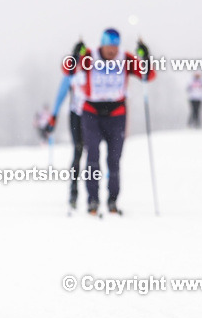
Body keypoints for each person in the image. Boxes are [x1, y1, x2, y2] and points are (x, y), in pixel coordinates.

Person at [65, 29, 156, 215]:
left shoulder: (125, 58)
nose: (112, 51)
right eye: (109, 47)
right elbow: (69, 70)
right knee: (92, 159)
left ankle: (112, 200)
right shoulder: (89, 56)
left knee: (114, 160)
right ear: (102, 45)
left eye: (115, 47)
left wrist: (146, 56)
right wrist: (75, 54)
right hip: (92, 113)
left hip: (116, 114)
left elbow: (147, 75)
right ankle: (93, 200)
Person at [45, 58, 86, 209]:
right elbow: (60, 96)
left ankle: (94, 194)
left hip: (93, 117)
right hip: (76, 116)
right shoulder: (71, 74)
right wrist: (53, 117)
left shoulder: (95, 69)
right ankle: (73, 192)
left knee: (94, 153)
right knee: (78, 151)